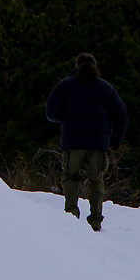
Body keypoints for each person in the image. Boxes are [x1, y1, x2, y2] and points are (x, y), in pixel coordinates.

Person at [45, 54, 127, 231]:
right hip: (98, 143)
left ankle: (71, 216)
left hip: (72, 141)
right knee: (96, 181)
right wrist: (115, 140)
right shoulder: (105, 88)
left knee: (70, 177)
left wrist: (65, 118)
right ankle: (95, 221)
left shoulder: (64, 85)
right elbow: (121, 116)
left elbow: (51, 113)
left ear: (76, 65)